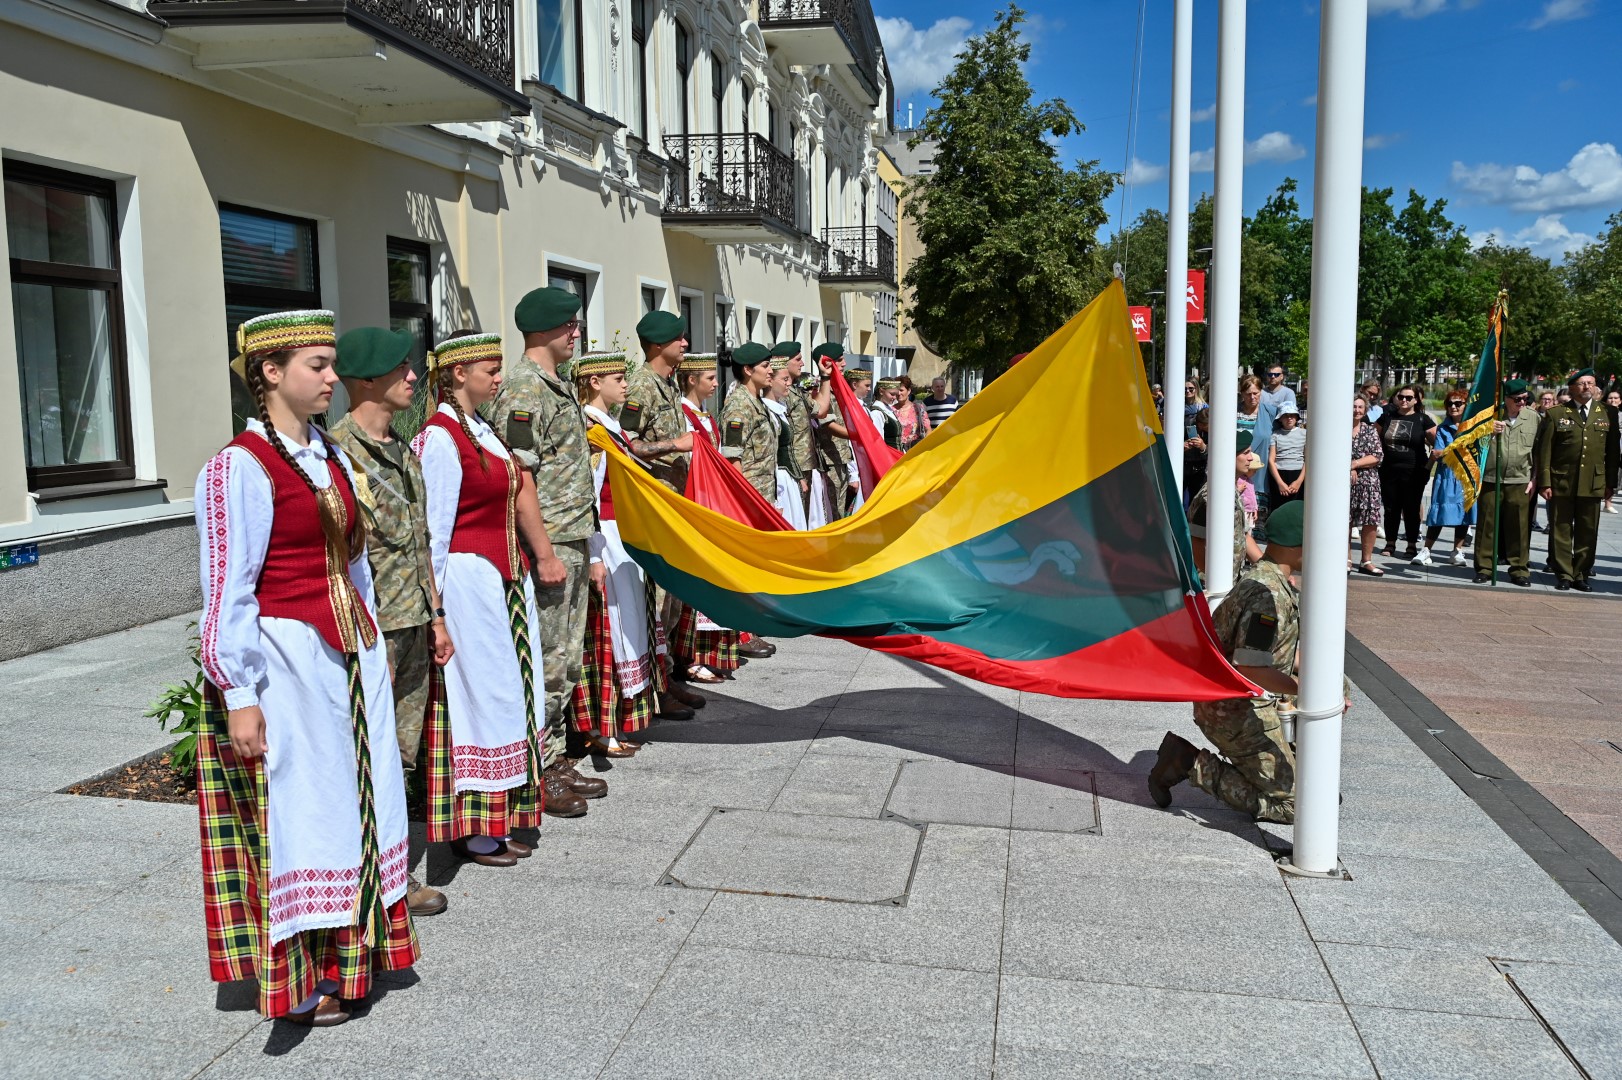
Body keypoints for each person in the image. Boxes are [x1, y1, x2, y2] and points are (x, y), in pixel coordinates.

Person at [195, 310, 417, 1026]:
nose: (331, 377)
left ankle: (350, 956)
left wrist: (372, 641)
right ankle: (295, 978)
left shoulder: (327, 453)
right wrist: (239, 692)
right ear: (270, 372)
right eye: (317, 365)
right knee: (303, 811)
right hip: (286, 660)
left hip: (346, 658)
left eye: (330, 364)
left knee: (353, 803)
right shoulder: (240, 466)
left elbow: (355, 562)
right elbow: (227, 587)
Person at [413, 331, 560, 852]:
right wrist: (435, 612)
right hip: (467, 582)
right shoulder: (440, 437)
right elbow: (433, 531)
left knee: (510, 694)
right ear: (458, 373)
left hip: (502, 579)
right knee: (479, 697)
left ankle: (502, 814)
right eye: (490, 370)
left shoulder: (482, 429)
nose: (499, 378)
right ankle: (473, 826)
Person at [329, 327, 454, 917]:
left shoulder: (404, 450)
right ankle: (357, 879)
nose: (411, 376)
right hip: (368, 630)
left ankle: (392, 872)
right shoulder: (336, 453)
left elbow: (421, 541)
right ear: (365, 381)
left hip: (412, 622)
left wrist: (437, 617)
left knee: (401, 755)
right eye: (398, 368)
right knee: (363, 754)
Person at [1148, 501, 1334, 823]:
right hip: (1235, 712)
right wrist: (1306, 691)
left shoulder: (1269, 579)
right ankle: (1188, 762)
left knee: (1315, 784)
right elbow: (1250, 667)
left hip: (1240, 703)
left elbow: (1277, 653)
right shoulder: (1267, 596)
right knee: (1298, 806)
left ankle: (1267, 771)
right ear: (1299, 547)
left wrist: (1327, 681)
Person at [486, 288, 598, 813]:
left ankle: (552, 755)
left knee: (566, 657)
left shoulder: (557, 384)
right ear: (545, 329)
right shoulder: (524, 388)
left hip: (571, 534)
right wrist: (545, 551)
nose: (576, 332)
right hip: (548, 541)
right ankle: (539, 765)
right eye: (569, 324)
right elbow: (520, 476)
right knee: (548, 658)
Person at [574, 351, 669, 756]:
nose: (626, 384)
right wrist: (595, 551)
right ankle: (603, 727)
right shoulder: (590, 429)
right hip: (608, 538)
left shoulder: (611, 426)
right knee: (612, 628)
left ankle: (622, 719)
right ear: (595, 382)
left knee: (631, 626)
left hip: (625, 535)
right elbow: (590, 494)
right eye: (617, 377)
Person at [617, 311, 708, 714]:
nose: (685, 344)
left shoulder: (667, 383)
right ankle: (657, 688)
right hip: (654, 506)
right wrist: (675, 445)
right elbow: (626, 444)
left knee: (671, 602)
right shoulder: (640, 386)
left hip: (675, 504)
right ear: (657, 345)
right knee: (656, 602)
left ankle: (667, 676)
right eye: (678, 338)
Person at [671, 352, 745, 682]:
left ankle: (708, 653)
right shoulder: (683, 415)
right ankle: (690, 656)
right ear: (691, 380)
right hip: (694, 503)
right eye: (710, 378)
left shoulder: (704, 415)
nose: (716, 383)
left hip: (711, 503)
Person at [1535, 368, 1620, 591]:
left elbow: (1613, 453)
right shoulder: (1556, 413)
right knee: (1561, 530)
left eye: (1590, 383)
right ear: (1572, 388)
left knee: (1588, 531)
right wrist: (1545, 482)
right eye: (1582, 383)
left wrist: (1610, 483)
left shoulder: (1608, 412)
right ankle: (1564, 574)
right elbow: (1545, 451)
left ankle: (1581, 573)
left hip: (1593, 482)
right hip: (1562, 481)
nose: (1587, 387)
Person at [1473, 379, 1539, 586]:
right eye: (1517, 399)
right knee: (1487, 524)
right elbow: (1470, 443)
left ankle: (1519, 569)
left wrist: (1535, 478)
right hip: (1491, 477)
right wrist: (1487, 431)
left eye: (1525, 398)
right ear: (1506, 399)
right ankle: (1484, 568)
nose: (1522, 403)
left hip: (1520, 479)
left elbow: (1539, 451)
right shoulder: (1489, 416)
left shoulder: (1533, 417)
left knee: (1518, 526)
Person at [1186, 430, 1263, 583]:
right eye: (1245, 453)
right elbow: (1197, 542)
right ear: (1228, 456)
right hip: (1212, 586)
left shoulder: (1231, 490)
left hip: (1230, 581)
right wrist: (1215, 581)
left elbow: (1244, 536)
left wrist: (1272, 571)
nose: (1250, 458)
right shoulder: (1211, 496)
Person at [774, 341, 835, 526]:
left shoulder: (796, 391)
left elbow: (821, 409)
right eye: (798, 359)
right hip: (792, 468)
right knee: (794, 522)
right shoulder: (781, 394)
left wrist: (825, 377)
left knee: (804, 520)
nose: (802, 363)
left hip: (805, 465)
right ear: (784, 362)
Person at [1412, 390, 1475, 568]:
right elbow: (1437, 454)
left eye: (1458, 403)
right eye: (1450, 403)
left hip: (1466, 476)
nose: (1453, 407)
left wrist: (1447, 452)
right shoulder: (1442, 427)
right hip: (1446, 475)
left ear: (1466, 406)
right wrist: (1456, 452)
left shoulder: (1473, 426)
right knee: (1438, 511)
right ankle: (1426, 550)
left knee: (1464, 513)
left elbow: (1451, 452)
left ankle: (1457, 550)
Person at [1376, 385, 1436, 560]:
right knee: (1390, 508)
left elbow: (1439, 445)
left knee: (1411, 508)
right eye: (1401, 397)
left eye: (1409, 398)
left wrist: (1428, 467)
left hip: (1414, 472)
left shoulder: (1423, 419)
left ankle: (1411, 544)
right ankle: (1390, 543)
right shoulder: (1387, 416)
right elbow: (1373, 437)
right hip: (1389, 470)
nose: (1404, 400)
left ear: (1416, 400)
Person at [719, 342, 780, 502]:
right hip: (750, 497)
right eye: (765, 366)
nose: (771, 371)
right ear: (747, 370)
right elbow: (732, 458)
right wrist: (745, 500)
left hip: (765, 494)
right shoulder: (739, 406)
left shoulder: (757, 401)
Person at [813, 343, 861, 517]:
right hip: (828, 460)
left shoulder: (839, 387)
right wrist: (859, 435)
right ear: (827, 363)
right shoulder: (818, 388)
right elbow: (827, 423)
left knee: (841, 510)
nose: (844, 364)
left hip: (841, 456)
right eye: (839, 360)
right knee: (832, 511)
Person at [763, 354, 810, 529]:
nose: (789, 383)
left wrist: (799, 477)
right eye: (784, 379)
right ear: (770, 381)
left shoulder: (780, 409)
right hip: (779, 479)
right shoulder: (767, 411)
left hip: (788, 477)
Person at [1350, 394, 1385, 576]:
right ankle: (1346, 559)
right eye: (1353, 406)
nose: (1356, 410)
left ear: (1365, 410)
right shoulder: (1338, 429)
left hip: (1369, 482)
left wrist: (1354, 464)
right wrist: (1348, 468)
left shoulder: (1370, 430)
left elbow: (1377, 456)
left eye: (1360, 407)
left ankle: (1366, 561)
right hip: (1345, 482)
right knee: (1345, 520)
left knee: (1371, 521)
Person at [1267, 405, 1306, 508]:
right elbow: (1271, 460)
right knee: (1279, 507)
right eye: (1286, 416)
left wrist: (1299, 481)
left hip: (1299, 473)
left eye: (1292, 415)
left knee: (1297, 508)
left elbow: (1308, 459)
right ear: (1280, 418)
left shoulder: (1305, 434)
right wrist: (1280, 483)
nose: (1289, 418)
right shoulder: (1275, 435)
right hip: (1279, 474)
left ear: (1296, 417)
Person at [1183, 406, 1210, 508]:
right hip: (1184, 465)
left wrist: (1203, 447)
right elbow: (1171, 443)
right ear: (1200, 424)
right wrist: (1183, 446)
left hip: (1201, 468)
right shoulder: (1186, 423)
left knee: (1196, 500)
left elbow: (1217, 451)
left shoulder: (1216, 428)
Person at [894, 375, 930, 450]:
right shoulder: (891, 410)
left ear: (909, 391)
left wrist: (924, 446)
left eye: (901, 390)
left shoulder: (918, 408)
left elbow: (928, 430)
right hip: (897, 451)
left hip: (915, 450)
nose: (898, 393)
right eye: (896, 390)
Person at [872, 378, 905, 450]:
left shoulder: (888, 409)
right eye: (892, 394)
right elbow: (878, 441)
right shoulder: (876, 413)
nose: (895, 398)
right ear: (881, 391)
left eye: (896, 395)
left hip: (898, 453)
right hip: (888, 454)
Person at [1605, 387, 1622, 514]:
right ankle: (1607, 503)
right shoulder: (1603, 413)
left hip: (1620, 448)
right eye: (1610, 398)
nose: (1613, 400)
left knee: (1616, 476)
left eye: (1616, 398)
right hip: (1608, 449)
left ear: (1620, 401)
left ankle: (1609, 502)